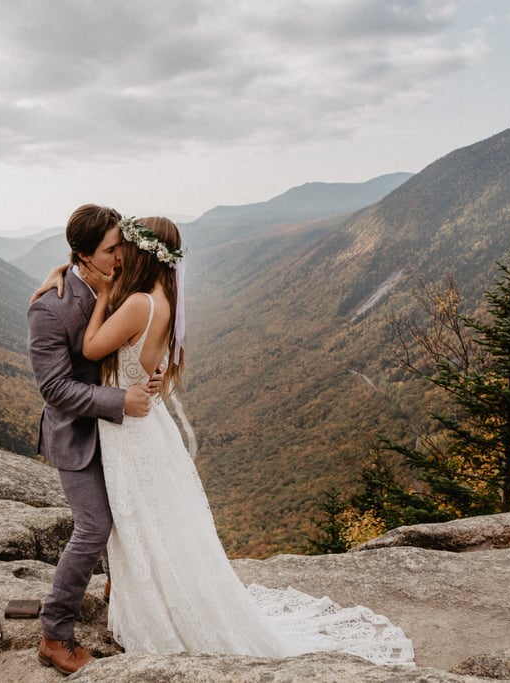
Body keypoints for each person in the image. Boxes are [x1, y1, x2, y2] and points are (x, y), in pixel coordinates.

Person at [79, 215, 415, 665]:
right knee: (155, 523)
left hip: (130, 430)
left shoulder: (138, 302)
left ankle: (160, 615)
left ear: (141, 253)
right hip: (146, 425)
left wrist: (101, 297)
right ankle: (153, 601)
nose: (119, 257)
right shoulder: (167, 298)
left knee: (138, 521)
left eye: (126, 249)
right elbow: (147, 359)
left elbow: (91, 349)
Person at [26, 204, 157, 675]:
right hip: (76, 436)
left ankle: (116, 591)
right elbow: (54, 389)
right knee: (93, 527)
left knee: (126, 513)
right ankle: (54, 632)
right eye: (111, 249)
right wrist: (121, 400)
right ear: (82, 254)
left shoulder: (116, 283)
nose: (121, 256)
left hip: (117, 435)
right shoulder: (49, 307)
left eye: (121, 245)